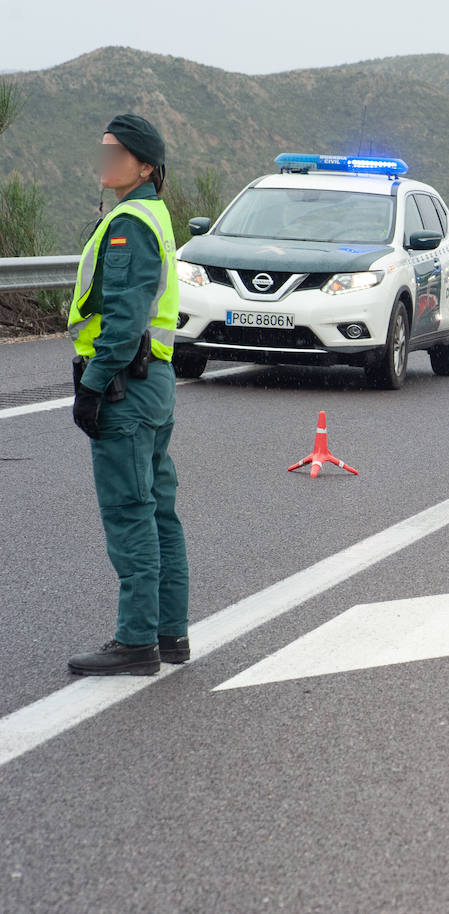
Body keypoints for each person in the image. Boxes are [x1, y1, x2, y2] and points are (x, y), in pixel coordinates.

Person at [67, 114, 190, 676]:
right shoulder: (148, 215)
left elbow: (124, 316)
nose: (104, 161)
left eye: (115, 153)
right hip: (152, 380)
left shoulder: (130, 224)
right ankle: (169, 635)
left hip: (127, 384)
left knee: (130, 513)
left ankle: (136, 641)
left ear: (144, 167)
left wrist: (92, 388)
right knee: (159, 512)